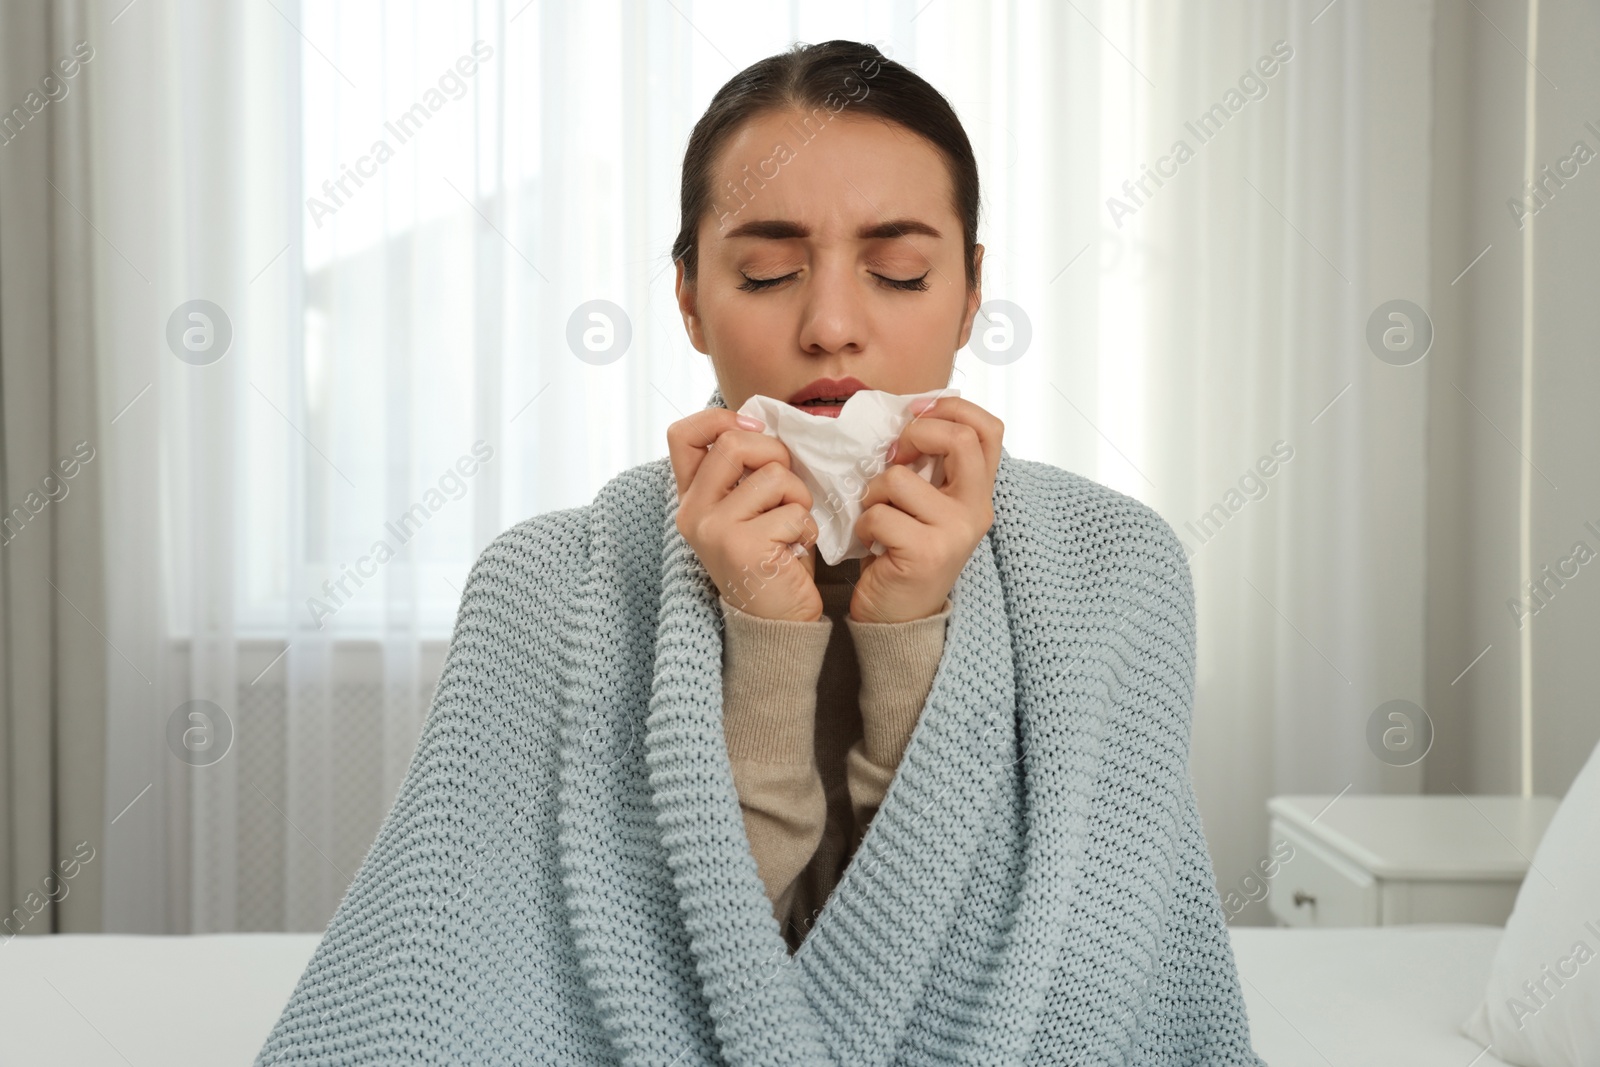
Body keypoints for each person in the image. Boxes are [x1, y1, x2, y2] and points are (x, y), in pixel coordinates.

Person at [256, 39, 1265, 1066]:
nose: (831, 325)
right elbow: (539, 988)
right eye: (768, 270)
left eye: (899, 272)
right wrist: (767, 643)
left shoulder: (1113, 573)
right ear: (690, 298)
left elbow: (1067, 990)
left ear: (968, 296)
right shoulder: (543, 588)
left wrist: (907, 634)